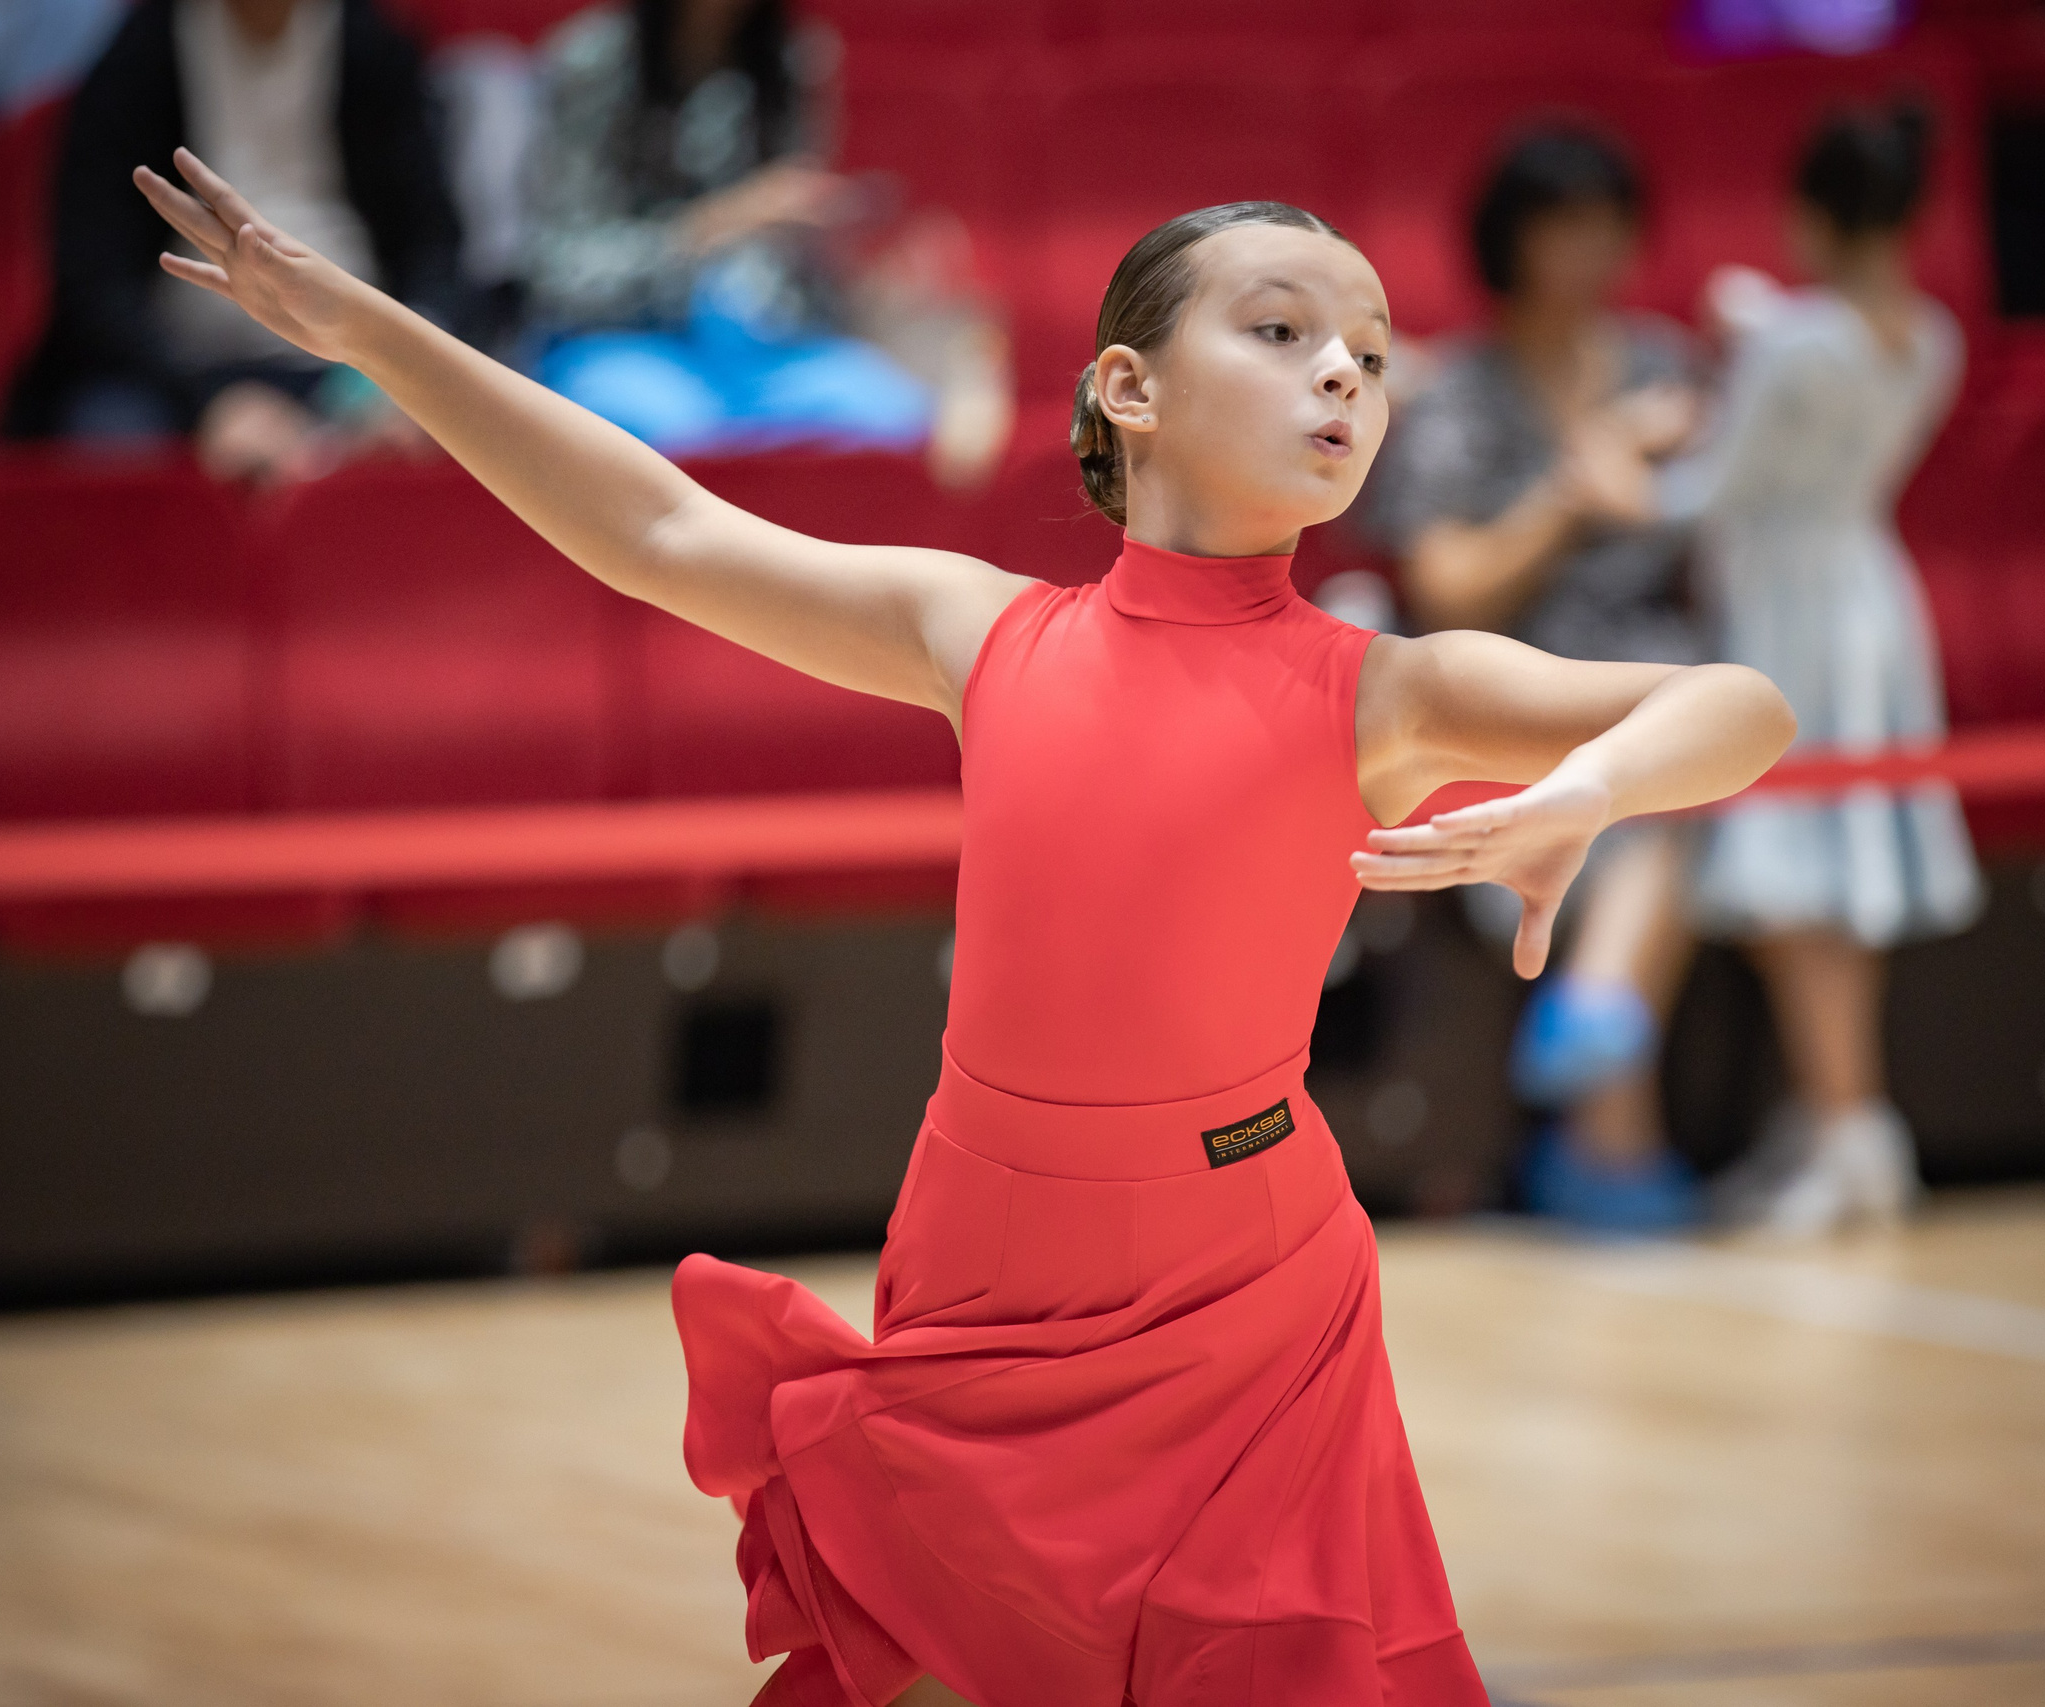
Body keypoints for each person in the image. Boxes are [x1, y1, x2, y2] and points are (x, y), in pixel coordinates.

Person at [132, 147, 1794, 1705]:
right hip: (987, 1258)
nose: (1346, 370)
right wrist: (372, 337)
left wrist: (1591, 789)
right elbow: (655, 529)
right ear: (1125, 389)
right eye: (1283, 329)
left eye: (1367, 347)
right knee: (925, 1665)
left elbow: (1741, 702)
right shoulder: (979, 628)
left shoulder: (1392, 687)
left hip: (1248, 1294)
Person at [1350, 124, 1711, 1233]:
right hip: (1514, 695)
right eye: (1563, 226)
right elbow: (1450, 588)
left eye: (1608, 225)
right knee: (1656, 812)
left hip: (1655, 684)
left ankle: (1605, 1098)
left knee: (1681, 776)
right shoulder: (1459, 395)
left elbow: (1713, 538)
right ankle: (1608, 1125)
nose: (1589, 252)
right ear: (1510, 240)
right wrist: (1572, 488)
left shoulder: (1664, 370)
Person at [1658, 101, 1982, 1238]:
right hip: (1870, 593)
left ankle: (1849, 1133)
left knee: (1799, 882)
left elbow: (1707, 491)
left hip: (1788, 606)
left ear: (1810, 211)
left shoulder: (1797, 342)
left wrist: (1609, 477)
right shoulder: (1928, 335)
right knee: (1834, 875)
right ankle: (1837, 1116)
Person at [513, 0, 1012, 486]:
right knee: (681, 437)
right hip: (621, 342)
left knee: (890, 415)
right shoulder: (592, 58)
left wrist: (846, 239)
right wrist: (720, 223)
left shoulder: (794, 55)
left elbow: (800, 261)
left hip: (764, 347)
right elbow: (557, 271)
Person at [2, 0, 466, 484]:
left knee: (472, 437)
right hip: (174, 371)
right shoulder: (142, 49)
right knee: (108, 438)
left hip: (350, 368)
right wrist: (209, 401)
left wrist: (396, 377)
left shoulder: (374, 42)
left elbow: (434, 246)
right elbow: (91, 279)